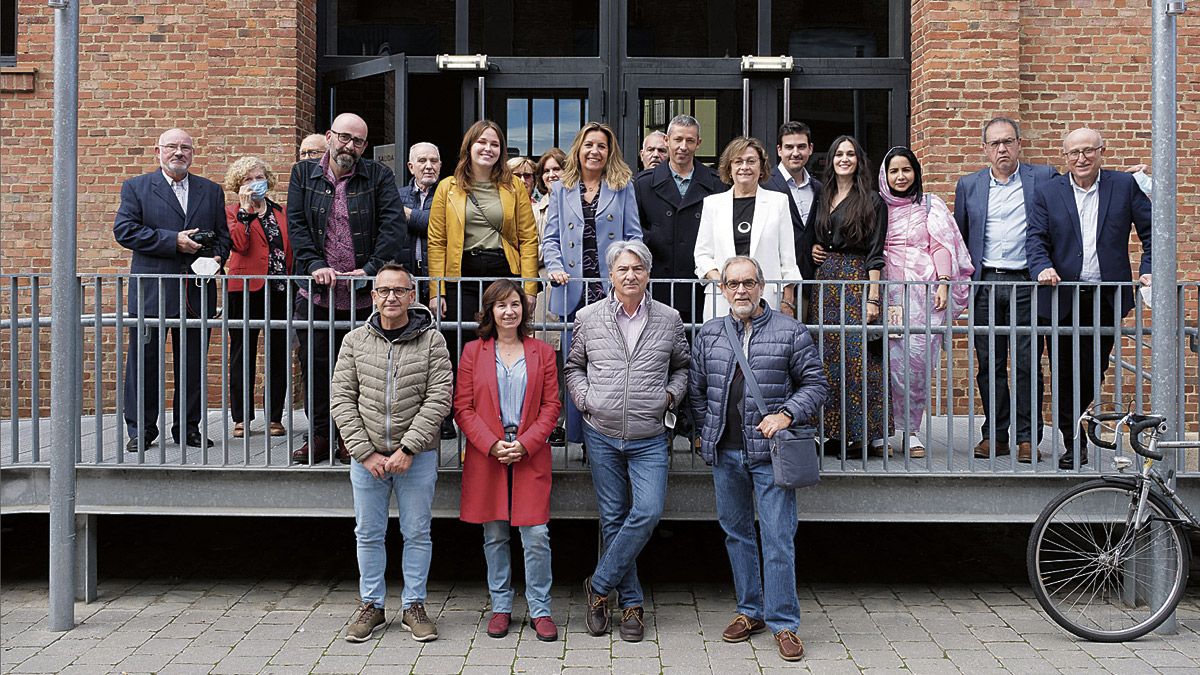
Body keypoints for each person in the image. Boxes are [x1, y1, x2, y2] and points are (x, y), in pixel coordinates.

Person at [688, 255, 827, 663]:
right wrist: (702, 432)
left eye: (748, 283)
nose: (741, 290)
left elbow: (816, 384)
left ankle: (784, 623)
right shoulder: (710, 333)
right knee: (736, 535)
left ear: (761, 286)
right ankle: (750, 612)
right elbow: (696, 389)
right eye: (733, 284)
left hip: (770, 455)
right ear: (723, 289)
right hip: (725, 452)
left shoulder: (790, 331)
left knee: (778, 537)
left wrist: (786, 414)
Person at [566, 241, 690, 643]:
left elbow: (682, 367)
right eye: (623, 269)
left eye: (637, 268)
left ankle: (598, 586)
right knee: (614, 517)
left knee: (648, 511)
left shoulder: (670, 319)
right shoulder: (588, 317)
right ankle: (632, 604)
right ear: (610, 276)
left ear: (648, 273)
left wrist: (668, 398)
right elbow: (574, 366)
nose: (630, 275)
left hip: (649, 435)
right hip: (601, 434)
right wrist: (588, 400)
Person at [331, 263, 452, 644]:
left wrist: (408, 447)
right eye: (383, 291)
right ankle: (372, 606)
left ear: (412, 296)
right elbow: (342, 398)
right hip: (367, 458)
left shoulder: (433, 342)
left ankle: (414, 605)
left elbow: (439, 397)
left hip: (416, 458)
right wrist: (365, 453)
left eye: (399, 291)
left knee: (416, 532)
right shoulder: (354, 341)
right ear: (373, 296)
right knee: (368, 533)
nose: (391, 298)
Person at [287, 112, 410, 464]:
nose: (349, 146)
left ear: (365, 146)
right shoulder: (302, 174)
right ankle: (321, 435)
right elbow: (296, 224)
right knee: (315, 366)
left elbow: (392, 228)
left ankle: (349, 439)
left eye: (357, 141)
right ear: (329, 136)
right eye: (343, 137)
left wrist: (370, 270)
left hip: (362, 297)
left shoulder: (379, 175)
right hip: (317, 294)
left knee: (360, 373)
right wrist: (314, 265)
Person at [1027, 127, 1151, 470]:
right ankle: (1073, 443)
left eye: (1088, 151)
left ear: (1102, 152)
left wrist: (1148, 270)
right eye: (1074, 153)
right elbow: (1035, 238)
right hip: (1063, 296)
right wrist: (1043, 267)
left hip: (1105, 298)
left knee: (1093, 369)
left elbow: (1151, 231)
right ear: (1064, 157)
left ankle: (1080, 420)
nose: (1081, 158)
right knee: (1064, 371)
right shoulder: (1048, 192)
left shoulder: (1124, 186)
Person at [454, 279, 562, 642]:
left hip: (529, 453)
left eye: (515, 303)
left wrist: (527, 443)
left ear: (524, 309)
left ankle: (540, 609)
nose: (509, 311)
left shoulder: (542, 353)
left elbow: (551, 407)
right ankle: (501, 606)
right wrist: (491, 444)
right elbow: (463, 408)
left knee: (536, 535)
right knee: (495, 533)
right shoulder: (473, 352)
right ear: (490, 311)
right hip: (489, 454)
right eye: (501, 305)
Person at [114, 128, 230, 451]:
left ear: (193, 153)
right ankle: (141, 430)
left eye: (185, 148)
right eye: (172, 147)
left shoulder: (211, 191)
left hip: (196, 293)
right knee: (143, 362)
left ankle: (188, 428)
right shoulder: (137, 188)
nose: (179, 153)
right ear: (158, 151)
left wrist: (217, 257)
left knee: (192, 364)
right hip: (152, 291)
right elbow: (124, 231)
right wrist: (173, 241)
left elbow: (223, 237)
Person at [954, 117, 1057, 463]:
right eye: (995, 143)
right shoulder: (968, 186)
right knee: (990, 364)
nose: (1002, 149)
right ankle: (995, 435)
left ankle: (1028, 438)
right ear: (984, 148)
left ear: (1019, 143)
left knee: (1028, 362)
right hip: (986, 284)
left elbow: (1078, 192)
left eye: (1008, 141)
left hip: (1027, 282)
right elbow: (961, 237)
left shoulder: (1042, 178)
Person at [542, 122, 642, 447]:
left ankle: (604, 435)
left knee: (608, 364)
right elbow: (552, 238)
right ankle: (576, 434)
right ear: (579, 149)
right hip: (572, 287)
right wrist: (555, 268)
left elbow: (634, 236)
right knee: (575, 363)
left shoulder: (622, 185)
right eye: (589, 145)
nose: (594, 151)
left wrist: (627, 271)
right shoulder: (561, 188)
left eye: (601, 146)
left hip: (608, 288)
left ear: (609, 152)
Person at [878, 147, 973, 457]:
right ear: (885, 174)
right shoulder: (876, 205)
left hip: (922, 297)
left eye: (906, 170)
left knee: (915, 367)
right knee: (882, 364)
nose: (900, 176)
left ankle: (909, 431)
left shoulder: (930, 205)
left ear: (916, 172)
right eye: (894, 171)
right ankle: (880, 430)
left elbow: (942, 245)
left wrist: (944, 283)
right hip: (885, 295)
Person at [803, 135, 889, 456]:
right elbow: (814, 236)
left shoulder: (872, 200)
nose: (844, 158)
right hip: (825, 282)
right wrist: (813, 249)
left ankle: (862, 435)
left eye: (850, 153)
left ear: (858, 160)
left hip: (856, 281)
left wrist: (873, 298)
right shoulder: (822, 196)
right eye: (839, 153)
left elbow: (875, 253)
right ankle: (834, 433)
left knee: (858, 359)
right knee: (827, 359)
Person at [427, 120, 540, 344]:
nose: (488, 148)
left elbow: (528, 239)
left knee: (504, 341)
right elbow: (437, 242)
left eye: (495, 144)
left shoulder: (514, 186)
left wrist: (530, 288)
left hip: (504, 271)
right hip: (461, 275)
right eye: (482, 142)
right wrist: (436, 290)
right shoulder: (447, 187)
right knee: (462, 342)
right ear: (469, 146)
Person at [694, 136, 801, 321]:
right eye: (738, 161)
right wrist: (724, 283)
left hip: (766, 298)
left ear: (761, 168)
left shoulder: (778, 202)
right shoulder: (712, 204)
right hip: (722, 300)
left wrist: (788, 300)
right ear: (730, 168)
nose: (745, 167)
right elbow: (702, 254)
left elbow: (788, 258)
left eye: (751, 161)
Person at [223, 156, 292, 439]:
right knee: (242, 352)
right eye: (248, 179)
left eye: (258, 177)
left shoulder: (280, 212)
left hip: (279, 289)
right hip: (245, 289)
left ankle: (275, 416)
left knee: (278, 352)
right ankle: (241, 418)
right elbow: (239, 243)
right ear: (238, 185)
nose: (255, 183)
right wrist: (246, 210)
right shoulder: (231, 212)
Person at [634, 115, 727, 326]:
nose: (683, 147)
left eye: (690, 140)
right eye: (677, 140)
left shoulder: (717, 184)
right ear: (667, 141)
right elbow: (634, 230)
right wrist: (654, 238)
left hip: (701, 288)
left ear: (699, 143)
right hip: (657, 285)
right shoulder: (643, 184)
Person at [764, 121, 822, 279]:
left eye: (801, 147)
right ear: (779, 150)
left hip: (810, 279)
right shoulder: (763, 185)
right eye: (789, 147)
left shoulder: (819, 188)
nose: (795, 153)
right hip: (773, 279)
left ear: (810, 149)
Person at [399, 142, 442, 278]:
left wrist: (407, 214)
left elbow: (440, 225)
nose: (429, 166)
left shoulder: (449, 194)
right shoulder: (397, 196)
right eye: (422, 161)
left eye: (434, 161)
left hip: (437, 275)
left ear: (439, 166)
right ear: (411, 167)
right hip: (404, 274)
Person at [532, 148, 567, 257]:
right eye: (546, 171)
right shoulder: (534, 211)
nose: (551, 175)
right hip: (544, 272)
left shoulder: (580, 205)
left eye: (556, 169)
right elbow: (530, 251)